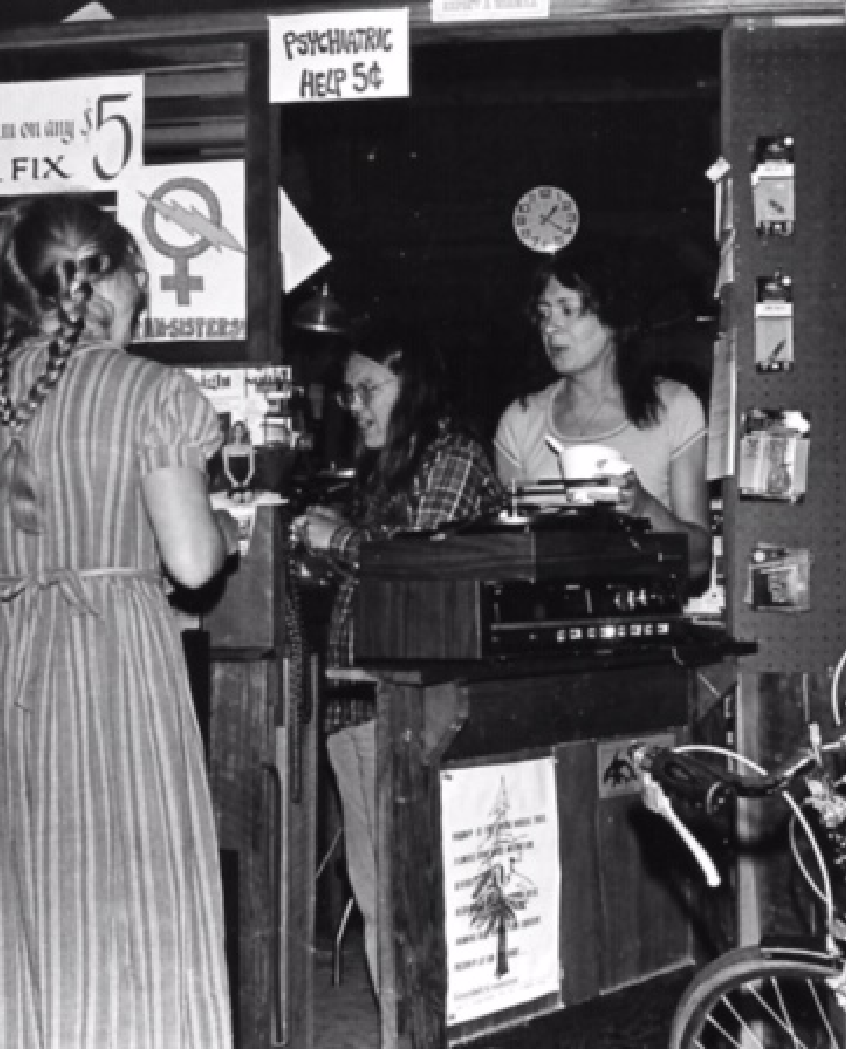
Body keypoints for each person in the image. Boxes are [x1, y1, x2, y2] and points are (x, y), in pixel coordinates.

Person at [0, 195, 238, 1049]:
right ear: (119, 279)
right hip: (106, 657)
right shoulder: (150, 392)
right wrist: (226, 525)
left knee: (2, 895)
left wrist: (25, 563)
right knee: (122, 887)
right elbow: (194, 563)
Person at [293, 322, 505, 994]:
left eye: (367, 387)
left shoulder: (453, 458)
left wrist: (340, 539)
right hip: (358, 705)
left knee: (409, 892)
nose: (353, 404)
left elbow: (417, 563)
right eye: (348, 390)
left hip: (412, 709)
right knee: (380, 890)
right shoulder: (391, 468)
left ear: (409, 383)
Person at [494, 247, 711, 584]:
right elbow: (508, 562)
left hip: (643, 623)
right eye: (544, 313)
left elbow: (698, 560)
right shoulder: (520, 421)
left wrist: (643, 508)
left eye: (567, 310)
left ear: (613, 319)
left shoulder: (674, 406)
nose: (551, 328)